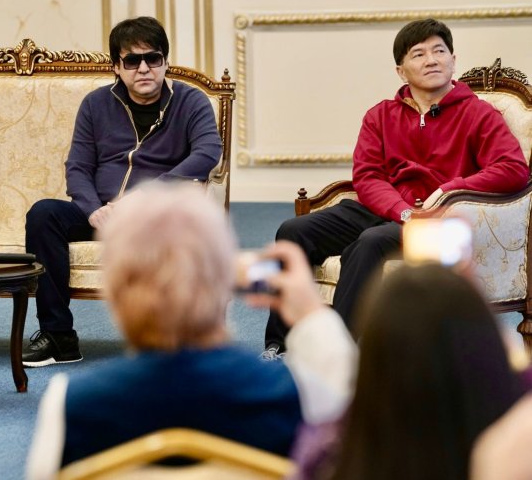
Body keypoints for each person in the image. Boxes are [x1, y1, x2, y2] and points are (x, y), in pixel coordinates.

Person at [25, 184, 357, 479]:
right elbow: (357, 415)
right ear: (225, 288)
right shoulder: (300, 397)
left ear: (114, 294)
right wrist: (311, 312)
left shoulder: (68, 405)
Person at [263, 18, 529, 358]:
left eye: (439, 51)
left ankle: (335, 354)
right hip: (389, 210)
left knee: (370, 243)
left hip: (439, 219)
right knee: (294, 231)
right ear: (401, 71)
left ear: (453, 60)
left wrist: (449, 191)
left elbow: (513, 170)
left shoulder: (479, 114)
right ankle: (279, 345)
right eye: (419, 54)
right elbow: (368, 176)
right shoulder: (380, 116)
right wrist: (402, 211)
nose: (431, 60)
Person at [23, 16, 223, 366]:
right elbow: (78, 167)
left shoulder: (191, 101)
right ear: (116, 67)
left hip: (155, 214)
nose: (144, 69)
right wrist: (92, 210)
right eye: (132, 61)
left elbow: (208, 153)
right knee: (44, 214)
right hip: (102, 212)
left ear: (165, 62)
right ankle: (58, 336)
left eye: (153, 58)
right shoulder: (95, 104)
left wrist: (148, 195)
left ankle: (169, 337)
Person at [289, 263, 522, 480]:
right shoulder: (512, 451)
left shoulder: (325, 456)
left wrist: (314, 318)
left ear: (370, 360)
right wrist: (477, 317)